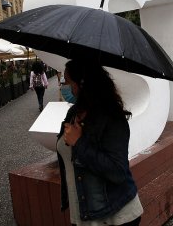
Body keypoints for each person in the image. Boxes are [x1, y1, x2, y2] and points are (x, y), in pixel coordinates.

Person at [57, 59, 143, 226]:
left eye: (67, 81)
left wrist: (79, 142)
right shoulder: (73, 113)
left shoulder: (112, 118)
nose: (64, 86)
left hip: (115, 216)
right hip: (84, 215)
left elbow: (118, 171)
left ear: (82, 83)